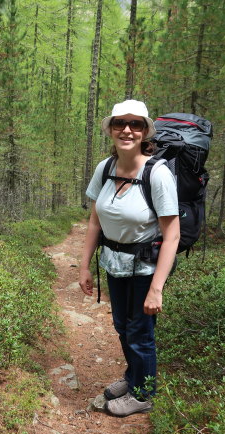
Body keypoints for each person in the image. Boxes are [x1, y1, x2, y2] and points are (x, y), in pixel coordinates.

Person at [79, 99, 180, 417]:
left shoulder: (158, 174)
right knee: (123, 326)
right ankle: (134, 376)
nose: (127, 129)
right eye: (120, 123)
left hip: (145, 267)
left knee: (140, 331)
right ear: (110, 129)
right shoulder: (105, 168)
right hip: (114, 263)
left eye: (135, 124)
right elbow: (95, 221)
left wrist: (157, 288)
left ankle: (143, 394)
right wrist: (84, 265)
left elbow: (172, 234)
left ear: (145, 132)